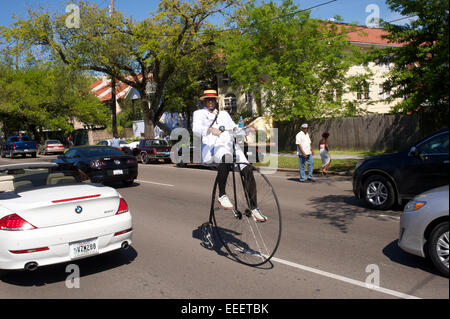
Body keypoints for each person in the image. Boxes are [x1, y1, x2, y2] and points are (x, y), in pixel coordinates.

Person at [192, 89, 267, 222]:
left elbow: (234, 129)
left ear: (216, 101)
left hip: (231, 145)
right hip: (213, 147)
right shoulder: (199, 114)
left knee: (248, 169)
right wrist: (209, 129)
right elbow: (196, 129)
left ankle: (254, 207)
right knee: (225, 157)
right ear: (204, 101)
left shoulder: (224, 114)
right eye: (207, 100)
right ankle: (222, 195)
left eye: (212, 99)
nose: (210, 102)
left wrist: (245, 130)